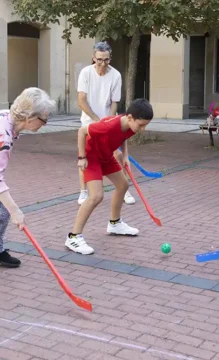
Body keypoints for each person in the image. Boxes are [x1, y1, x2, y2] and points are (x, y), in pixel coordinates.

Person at [65, 99, 154, 255]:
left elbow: (124, 136)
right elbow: (82, 131)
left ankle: (115, 223)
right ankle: (73, 237)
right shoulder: (108, 125)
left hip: (106, 157)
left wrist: (125, 155)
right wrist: (82, 157)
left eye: (145, 125)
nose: (142, 129)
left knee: (123, 185)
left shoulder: (131, 125)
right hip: (92, 157)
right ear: (130, 117)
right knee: (96, 196)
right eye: (141, 125)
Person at [0, 88, 56, 267]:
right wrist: (16, 211)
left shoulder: (8, 118)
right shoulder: (4, 137)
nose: (44, 124)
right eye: (43, 119)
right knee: (7, 209)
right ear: (30, 117)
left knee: (2, 211)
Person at [77, 41, 136, 206]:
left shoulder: (116, 75)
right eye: (99, 59)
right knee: (86, 155)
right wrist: (98, 121)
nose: (103, 63)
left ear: (110, 58)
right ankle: (83, 191)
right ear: (93, 58)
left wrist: (109, 121)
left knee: (117, 155)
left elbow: (114, 102)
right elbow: (81, 101)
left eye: (106, 60)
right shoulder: (86, 73)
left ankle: (123, 189)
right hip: (90, 121)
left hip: (109, 120)